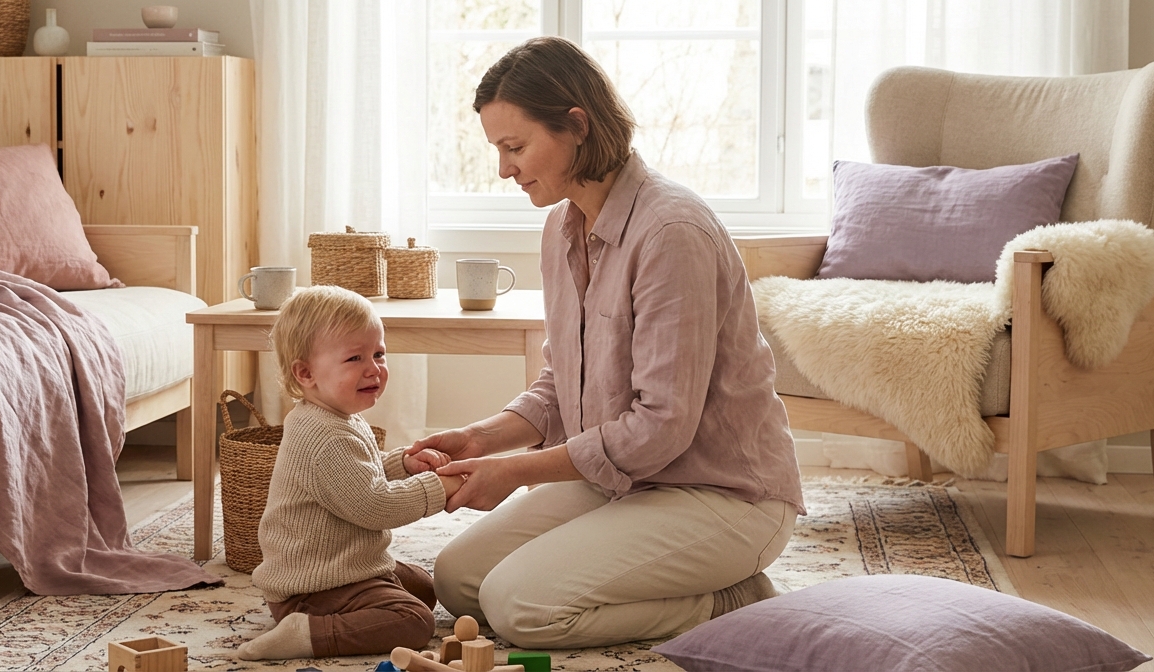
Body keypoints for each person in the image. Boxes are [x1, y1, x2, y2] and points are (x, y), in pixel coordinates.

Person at [405, 36, 806, 649]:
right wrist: (481, 439)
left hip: (722, 495)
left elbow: (660, 428)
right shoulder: (561, 228)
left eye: (515, 147)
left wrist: (513, 471)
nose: (504, 169)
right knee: (459, 581)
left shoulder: (671, 232)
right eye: (498, 150)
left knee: (519, 607)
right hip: (624, 483)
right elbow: (561, 385)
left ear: (576, 126)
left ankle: (731, 599)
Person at [238, 285, 465, 660]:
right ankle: (308, 632)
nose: (373, 368)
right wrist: (436, 487)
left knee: (423, 586)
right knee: (414, 620)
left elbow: (361, 474)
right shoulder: (326, 436)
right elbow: (374, 506)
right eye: (355, 358)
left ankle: (330, 617)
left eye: (379, 354)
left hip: (338, 566)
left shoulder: (334, 417)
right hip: (312, 588)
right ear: (306, 373)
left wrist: (404, 464)